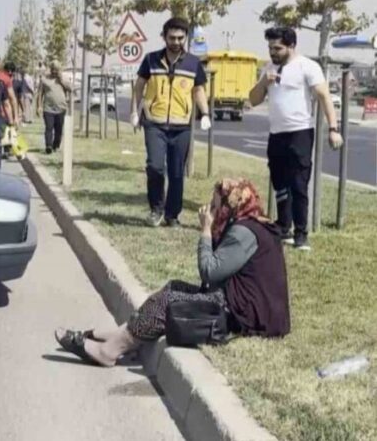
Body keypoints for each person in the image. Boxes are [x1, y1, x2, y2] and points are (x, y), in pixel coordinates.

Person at [54, 178, 290, 367]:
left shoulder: (243, 233)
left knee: (169, 302)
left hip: (244, 315)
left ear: (230, 207)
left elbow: (209, 272)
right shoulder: (246, 224)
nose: (210, 209)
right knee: (173, 287)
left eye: (216, 205)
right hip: (237, 303)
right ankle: (119, 334)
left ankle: (109, 351)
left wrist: (206, 230)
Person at [248, 26, 342, 251]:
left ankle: (301, 233)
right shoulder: (269, 69)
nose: (273, 52)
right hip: (276, 134)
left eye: (277, 48)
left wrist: (333, 128)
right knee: (279, 182)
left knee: (299, 184)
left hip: (300, 132)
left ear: (291, 46)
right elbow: (253, 100)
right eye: (270, 48)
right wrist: (264, 83)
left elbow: (324, 97)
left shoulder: (307, 67)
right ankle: (284, 226)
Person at [130, 17, 212, 228]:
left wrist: (205, 113)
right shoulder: (150, 60)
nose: (176, 42)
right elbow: (139, 86)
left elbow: (199, 90)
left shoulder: (193, 63)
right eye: (172, 38)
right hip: (154, 123)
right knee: (155, 167)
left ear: (186, 38)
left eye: (180, 38)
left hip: (181, 126)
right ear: (164, 37)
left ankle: (172, 215)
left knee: (176, 173)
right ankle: (156, 209)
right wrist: (134, 112)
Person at [35, 62, 70, 154]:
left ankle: (56, 145)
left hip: (61, 108)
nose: (54, 71)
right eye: (53, 69)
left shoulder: (63, 79)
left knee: (59, 129)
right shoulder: (44, 79)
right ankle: (48, 146)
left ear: (59, 70)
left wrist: (61, 80)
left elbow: (70, 88)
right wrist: (38, 106)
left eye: (56, 70)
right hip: (48, 108)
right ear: (50, 69)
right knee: (49, 127)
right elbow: (40, 94)